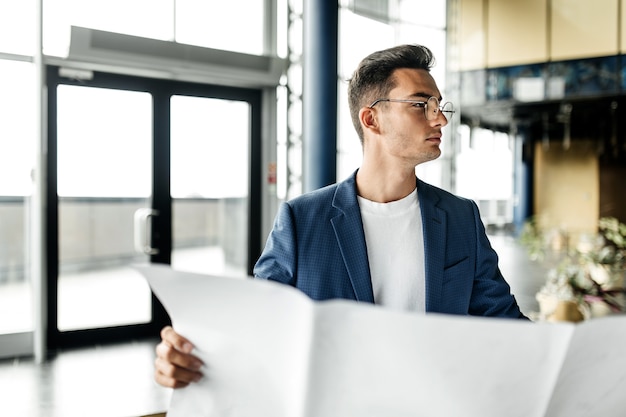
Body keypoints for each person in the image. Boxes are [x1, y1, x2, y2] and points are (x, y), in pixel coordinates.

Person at [154, 44, 528, 389]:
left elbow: (503, 322)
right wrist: (188, 356)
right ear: (372, 119)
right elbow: (259, 325)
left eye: (438, 106)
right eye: (420, 105)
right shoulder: (303, 220)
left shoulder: (460, 216)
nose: (439, 120)